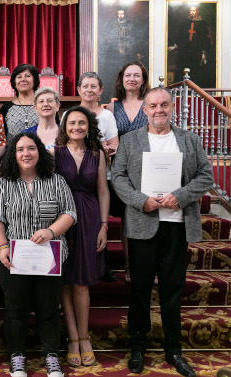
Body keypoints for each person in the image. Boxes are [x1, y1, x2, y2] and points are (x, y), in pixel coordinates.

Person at [111, 88, 213, 377]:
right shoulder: (130, 141)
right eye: (153, 105)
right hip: (143, 223)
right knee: (140, 289)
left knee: (172, 290)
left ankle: (173, 349)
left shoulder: (189, 139)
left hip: (176, 225)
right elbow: (117, 176)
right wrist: (140, 200)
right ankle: (137, 346)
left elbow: (205, 176)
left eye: (164, 104)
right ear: (144, 110)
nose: (159, 110)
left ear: (172, 107)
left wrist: (180, 196)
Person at [0, 132, 76, 377]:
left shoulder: (56, 181)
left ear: (39, 151)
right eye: (19, 149)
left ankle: (51, 356)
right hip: (13, 259)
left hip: (50, 257)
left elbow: (69, 213)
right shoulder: (3, 183)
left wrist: (50, 231)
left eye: (31, 148)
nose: (25, 154)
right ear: (13, 155)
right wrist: (3, 247)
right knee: (15, 309)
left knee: (49, 308)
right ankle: (17, 357)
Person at [53, 106, 110, 368]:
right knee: (64, 280)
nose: (76, 126)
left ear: (89, 127)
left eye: (81, 123)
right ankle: (72, 339)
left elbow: (103, 191)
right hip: (62, 217)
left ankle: (85, 337)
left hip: (88, 217)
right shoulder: (55, 153)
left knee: (81, 282)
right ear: (64, 127)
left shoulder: (96, 154)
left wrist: (104, 225)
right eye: (71, 122)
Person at [107, 61, 150, 283]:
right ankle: (129, 265)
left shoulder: (150, 104)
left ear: (143, 80)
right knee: (126, 217)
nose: (132, 79)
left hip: (147, 167)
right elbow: (108, 138)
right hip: (122, 169)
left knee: (147, 217)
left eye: (137, 75)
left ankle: (147, 266)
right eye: (127, 75)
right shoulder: (113, 108)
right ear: (121, 80)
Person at [76, 72, 119, 282]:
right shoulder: (71, 115)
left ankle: (103, 263)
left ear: (100, 90)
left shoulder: (107, 116)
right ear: (79, 90)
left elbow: (115, 145)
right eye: (85, 86)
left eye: (94, 86)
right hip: (78, 177)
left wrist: (103, 149)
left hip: (101, 173)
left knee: (101, 218)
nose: (89, 90)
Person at [168, 5, 215, 88]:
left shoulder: (203, 24)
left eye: (194, 10)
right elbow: (180, 36)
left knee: (195, 74)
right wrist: (175, 46)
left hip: (196, 53)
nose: (192, 12)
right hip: (184, 53)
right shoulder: (184, 22)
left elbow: (204, 40)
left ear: (197, 11)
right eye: (191, 10)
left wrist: (203, 53)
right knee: (181, 72)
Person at [0, 64, 40, 145]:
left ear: (35, 81)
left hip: (40, 154)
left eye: (27, 76)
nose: (23, 79)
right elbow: (1, 138)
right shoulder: (6, 108)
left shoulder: (44, 105)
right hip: (12, 155)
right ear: (14, 82)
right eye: (19, 77)